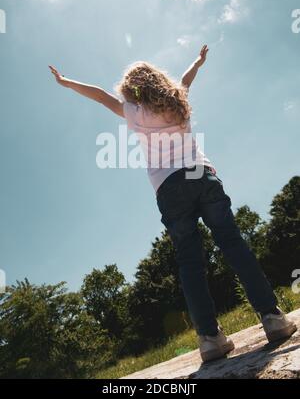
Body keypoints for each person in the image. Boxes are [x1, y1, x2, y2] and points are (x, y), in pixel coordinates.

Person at [49, 46, 297, 363]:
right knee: (233, 244)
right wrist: (199, 61)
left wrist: (65, 81)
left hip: (168, 187)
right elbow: (185, 77)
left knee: (190, 262)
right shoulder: (177, 99)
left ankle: (209, 339)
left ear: (130, 88)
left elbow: (98, 95)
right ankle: (273, 319)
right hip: (201, 175)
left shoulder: (132, 110)